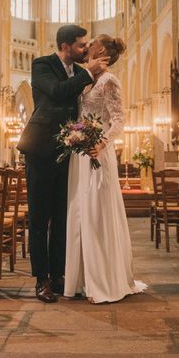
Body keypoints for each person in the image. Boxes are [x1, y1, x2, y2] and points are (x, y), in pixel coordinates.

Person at [17, 25, 109, 303]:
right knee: (39, 217)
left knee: (61, 217)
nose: (85, 49)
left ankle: (57, 276)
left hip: (67, 152)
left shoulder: (80, 73)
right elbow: (56, 92)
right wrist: (89, 73)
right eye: (81, 45)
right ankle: (41, 280)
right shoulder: (41, 65)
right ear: (66, 46)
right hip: (39, 149)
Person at [64, 34, 147, 303]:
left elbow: (119, 120)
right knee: (80, 212)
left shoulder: (110, 80)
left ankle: (104, 279)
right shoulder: (88, 80)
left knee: (97, 213)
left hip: (98, 153)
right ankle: (83, 278)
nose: (87, 47)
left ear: (101, 50)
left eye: (92, 44)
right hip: (81, 155)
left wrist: (100, 144)